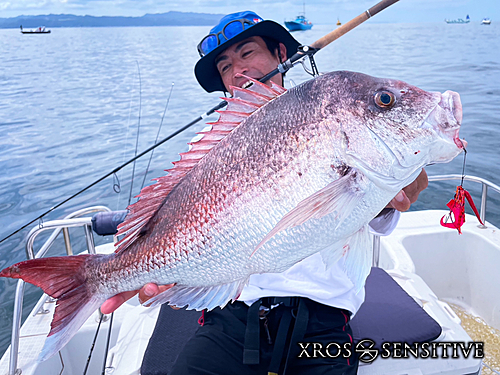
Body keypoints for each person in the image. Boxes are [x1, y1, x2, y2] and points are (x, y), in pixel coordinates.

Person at [101, 11, 428, 374]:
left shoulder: (335, 116)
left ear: (280, 54)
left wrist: (394, 184)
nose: (237, 69)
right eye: (225, 65)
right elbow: (194, 236)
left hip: (323, 326)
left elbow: (378, 219)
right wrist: (163, 275)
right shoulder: (211, 154)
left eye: (247, 52)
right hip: (230, 323)